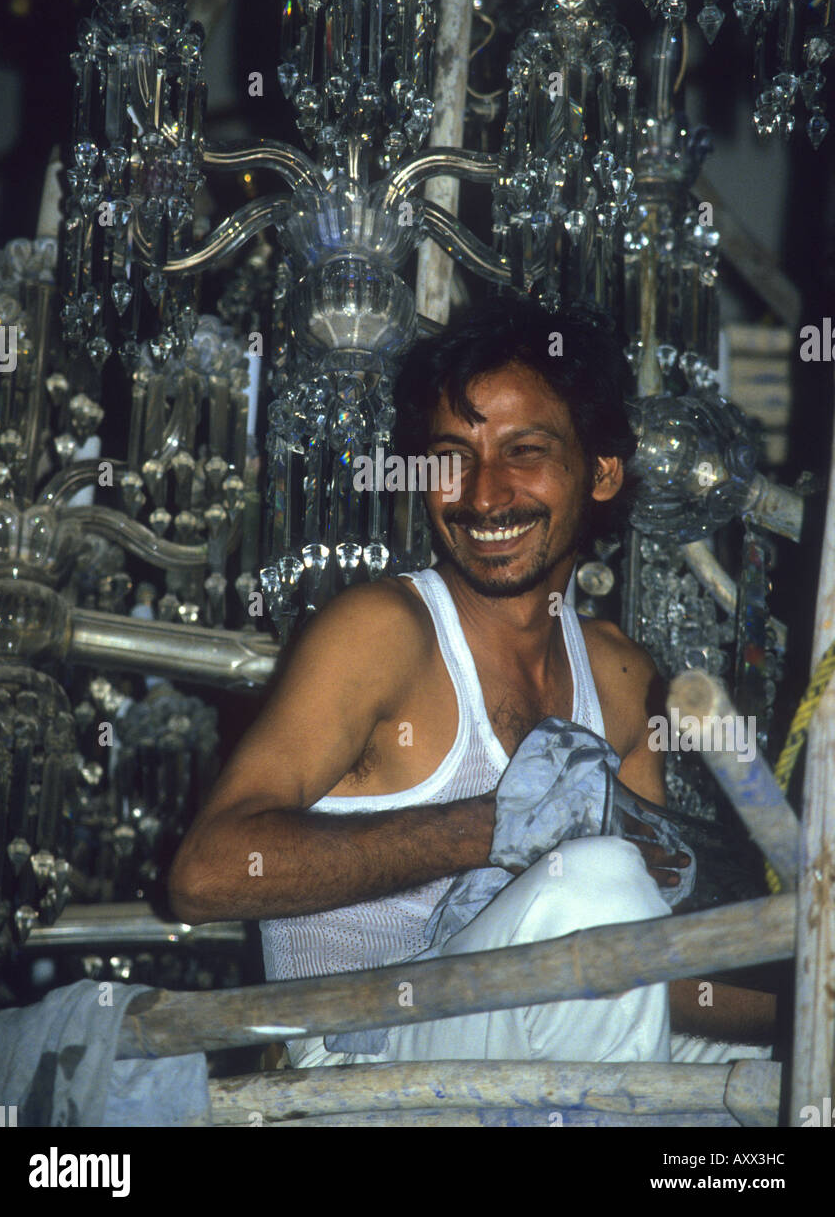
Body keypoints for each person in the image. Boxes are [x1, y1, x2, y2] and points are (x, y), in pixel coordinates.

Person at [168, 296, 775, 1066]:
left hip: (531, 1026)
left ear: (600, 471)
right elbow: (205, 874)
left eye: (525, 451)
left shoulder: (622, 678)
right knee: (596, 877)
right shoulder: (383, 631)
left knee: (773, 1070)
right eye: (452, 456)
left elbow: (634, 963)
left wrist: (807, 990)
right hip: (364, 1060)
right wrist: (486, 831)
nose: (483, 495)